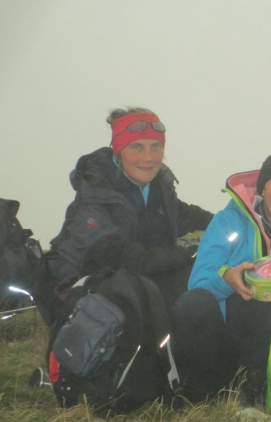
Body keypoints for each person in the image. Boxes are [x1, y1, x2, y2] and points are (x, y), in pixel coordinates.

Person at [169, 150, 271, 404]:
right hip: (215, 334)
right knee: (196, 302)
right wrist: (227, 281)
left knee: (261, 296)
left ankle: (248, 387)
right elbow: (198, 285)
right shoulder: (229, 221)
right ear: (263, 188)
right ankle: (197, 390)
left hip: (263, 339)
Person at [34, 107, 213, 327]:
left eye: (156, 146)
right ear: (118, 150)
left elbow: (185, 214)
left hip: (128, 280)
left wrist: (232, 220)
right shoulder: (96, 195)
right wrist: (189, 252)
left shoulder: (156, 188)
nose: (148, 157)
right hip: (73, 290)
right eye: (136, 147)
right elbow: (122, 259)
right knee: (180, 282)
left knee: (196, 280)